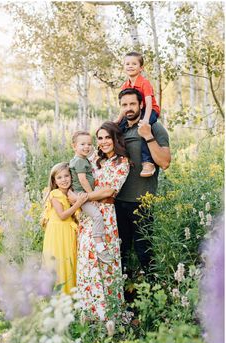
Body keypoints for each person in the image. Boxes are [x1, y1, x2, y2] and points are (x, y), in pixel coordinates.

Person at [68, 122, 130, 321]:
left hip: (105, 215)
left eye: (107, 137)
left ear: (115, 139)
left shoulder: (122, 162)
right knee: (87, 258)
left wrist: (83, 198)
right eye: (100, 138)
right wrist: (69, 195)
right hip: (87, 215)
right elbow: (76, 176)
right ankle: (90, 313)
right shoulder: (94, 158)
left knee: (105, 262)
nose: (103, 142)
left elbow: (109, 191)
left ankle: (110, 313)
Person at [115, 88, 171, 282]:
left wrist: (147, 136)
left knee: (144, 251)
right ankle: (123, 297)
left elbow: (164, 162)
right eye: (124, 105)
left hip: (141, 201)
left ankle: (154, 293)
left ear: (141, 105)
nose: (128, 108)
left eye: (132, 104)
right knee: (120, 252)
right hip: (115, 201)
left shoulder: (154, 128)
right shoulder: (119, 129)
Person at [41, 162, 88, 294]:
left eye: (66, 176)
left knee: (69, 261)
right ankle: (59, 296)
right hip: (57, 233)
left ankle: (71, 295)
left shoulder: (71, 194)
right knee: (59, 262)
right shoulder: (55, 194)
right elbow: (62, 215)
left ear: (72, 177)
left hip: (68, 231)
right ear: (54, 181)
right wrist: (78, 203)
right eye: (59, 177)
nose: (64, 180)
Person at [70, 131, 113, 264]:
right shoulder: (80, 161)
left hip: (82, 195)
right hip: (82, 195)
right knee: (97, 216)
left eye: (89, 144)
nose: (86, 147)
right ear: (74, 146)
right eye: (82, 144)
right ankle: (99, 246)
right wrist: (92, 196)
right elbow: (82, 180)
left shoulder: (81, 159)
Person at [115, 51, 160, 177]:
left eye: (134, 64)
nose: (130, 66)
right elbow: (124, 105)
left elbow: (149, 103)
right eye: (127, 63)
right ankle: (118, 159)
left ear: (141, 68)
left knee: (144, 130)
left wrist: (145, 120)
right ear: (124, 67)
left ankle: (147, 162)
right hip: (134, 111)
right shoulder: (125, 85)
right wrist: (118, 120)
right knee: (118, 128)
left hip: (150, 110)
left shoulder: (144, 83)